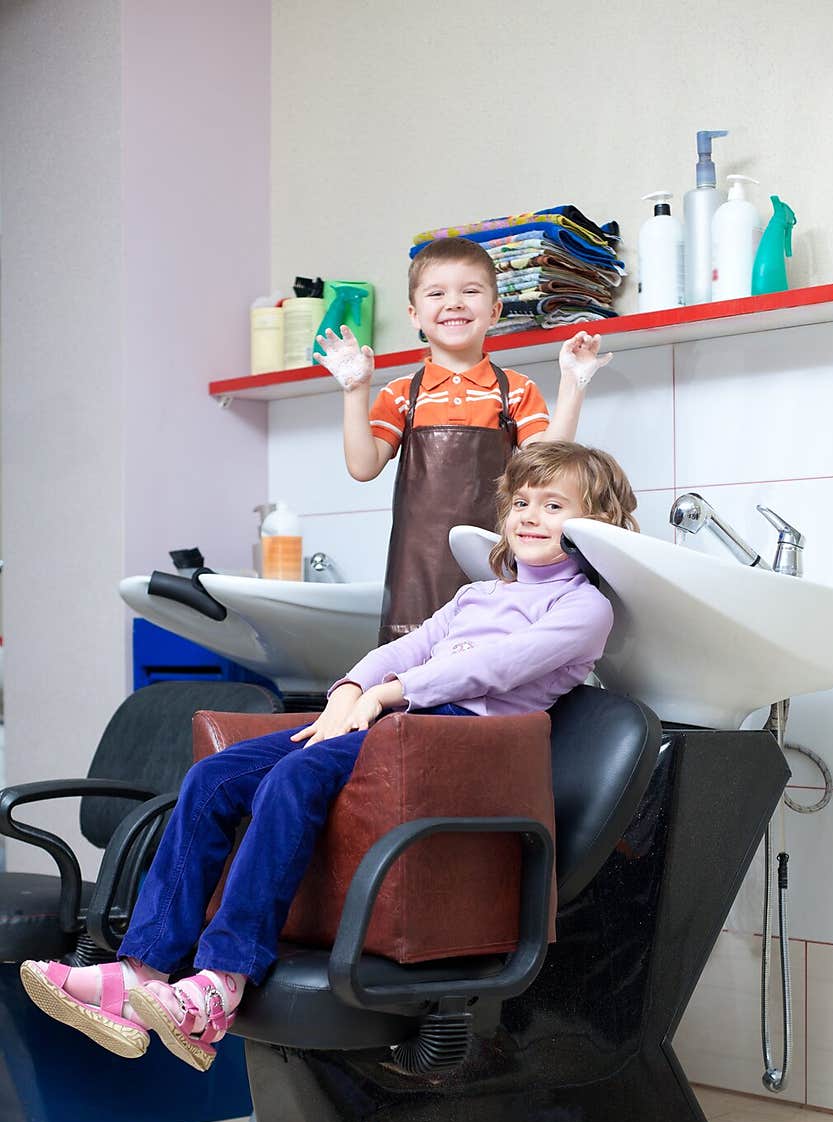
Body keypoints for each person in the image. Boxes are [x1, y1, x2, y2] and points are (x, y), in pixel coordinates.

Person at [20, 441, 638, 1074]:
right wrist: (348, 691)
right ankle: (142, 972)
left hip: (454, 739)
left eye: (553, 505)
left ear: (596, 522)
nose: (529, 516)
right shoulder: (477, 596)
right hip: (401, 716)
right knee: (213, 778)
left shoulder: (583, 608)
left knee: (295, 776)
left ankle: (219, 985)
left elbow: (495, 669)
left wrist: (384, 697)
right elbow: (406, 649)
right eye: (521, 502)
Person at [314, 236, 612, 643]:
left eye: (469, 291)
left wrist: (572, 384)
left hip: (492, 564)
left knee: (482, 663)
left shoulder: (515, 390)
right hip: (415, 572)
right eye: (437, 293)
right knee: (408, 670)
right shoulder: (402, 393)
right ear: (414, 314)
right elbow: (363, 467)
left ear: (494, 311)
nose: (453, 302)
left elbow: (545, 470)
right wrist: (354, 390)